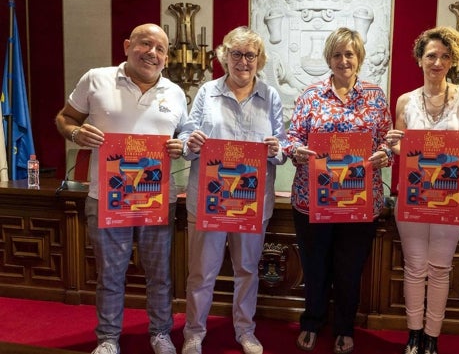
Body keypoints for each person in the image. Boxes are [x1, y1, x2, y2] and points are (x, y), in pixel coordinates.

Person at [55, 23, 188, 354]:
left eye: (160, 49)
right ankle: (108, 338)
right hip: (107, 198)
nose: (152, 53)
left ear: (167, 57)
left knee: (160, 275)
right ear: (128, 45)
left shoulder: (175, 92)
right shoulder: (96, 79)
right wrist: (75, 134)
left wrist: (182, 145)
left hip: (157, 200)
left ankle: (160, 333)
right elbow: (64, 117)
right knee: (110, 276)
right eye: (145, 44)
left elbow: (187, 134)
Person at [178, 26, 286, 354]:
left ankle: (245, 331)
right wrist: (191, 143)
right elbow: (185, 141)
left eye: (250, 55)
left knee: (248, 271)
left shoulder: (271, 97)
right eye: (236, 54)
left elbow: (283, 146)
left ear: (259, 60)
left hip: (251, 203)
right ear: (224, 57)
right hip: (207, 202)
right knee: (201, 272)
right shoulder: (207, 92)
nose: (243, 61)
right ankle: (194, 333)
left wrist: (275, 150)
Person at [384, 26, 459, 354]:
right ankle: (414, 333)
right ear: (420, 59)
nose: (437, 62)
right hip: (413, 195)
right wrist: (393, 144)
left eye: (445, 56)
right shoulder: (405, 100)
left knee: (440, 267)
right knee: (415, 267)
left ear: (452, 61)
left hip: (451, 194)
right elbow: (402, 150)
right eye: (431, 55)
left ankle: (433, 335)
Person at [287, 27, 393, 354]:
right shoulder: (310, 95)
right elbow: (292, 137)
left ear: (359, 57)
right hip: (312, 202)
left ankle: (345, 326)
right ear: (328, 59)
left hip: (358, 203)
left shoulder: (375, 96)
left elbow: (389, 142)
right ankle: (312, 321)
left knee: (349, 269)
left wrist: (384, 155)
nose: (343, 60)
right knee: (315, 267)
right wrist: (296, 151)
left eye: (349, 54)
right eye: (337, 54)